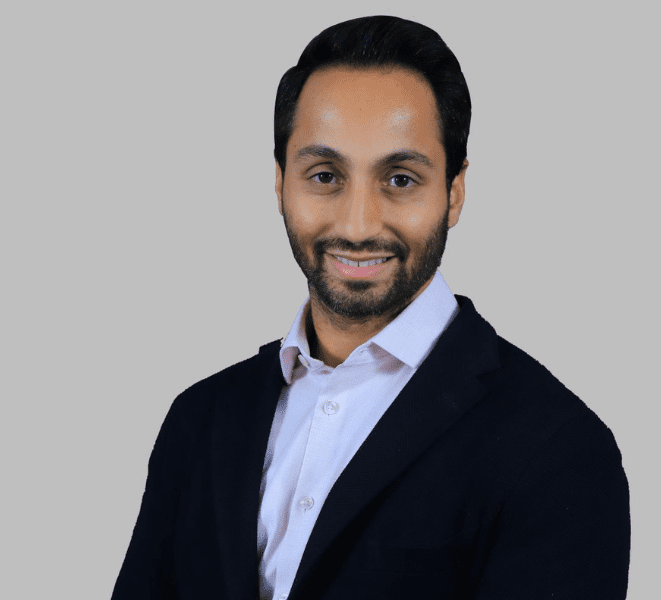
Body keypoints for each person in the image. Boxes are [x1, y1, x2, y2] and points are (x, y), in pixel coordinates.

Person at [113, 15, 630, 600]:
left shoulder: (558, 449)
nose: (358, 226)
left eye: (401, 179)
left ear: (454, 191)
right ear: (280, 184)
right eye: (325, 175)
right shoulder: (198, 420)